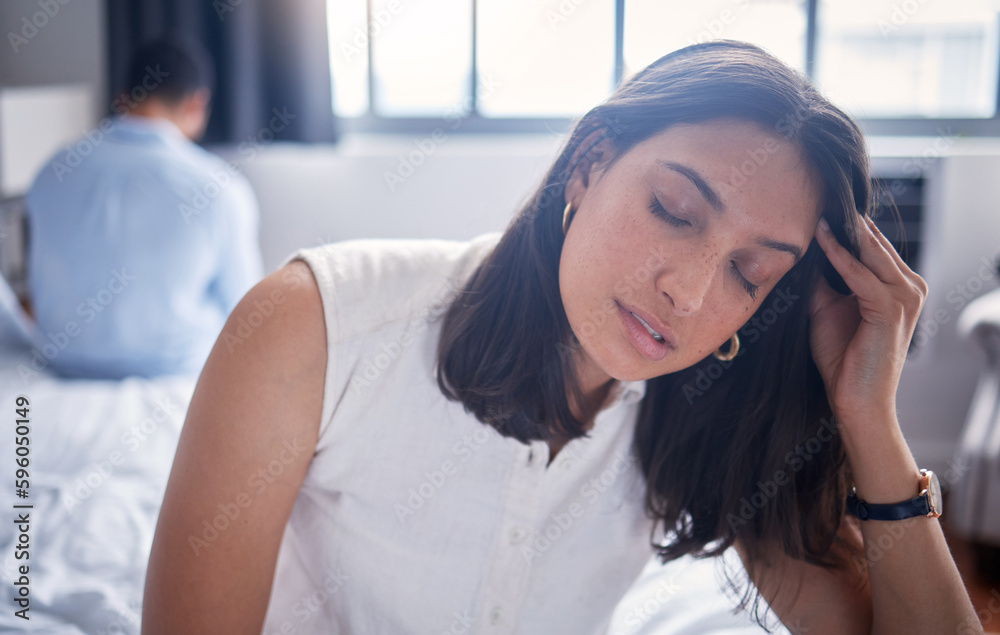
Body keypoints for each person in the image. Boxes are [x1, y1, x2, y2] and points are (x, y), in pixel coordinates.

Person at [142, 41, 983, 634]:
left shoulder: (705, 419)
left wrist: (870, 416)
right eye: (673, 211)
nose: (688, 294)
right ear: (589, 161)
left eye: (749, 275)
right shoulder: (314, 328)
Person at [23, 36, 263, 379]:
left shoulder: (50, 171)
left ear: (122, 97)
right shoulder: (220, 188)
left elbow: (38, 284)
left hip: (61, 365)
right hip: (177, 375)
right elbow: (247, 315)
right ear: (197, 104)